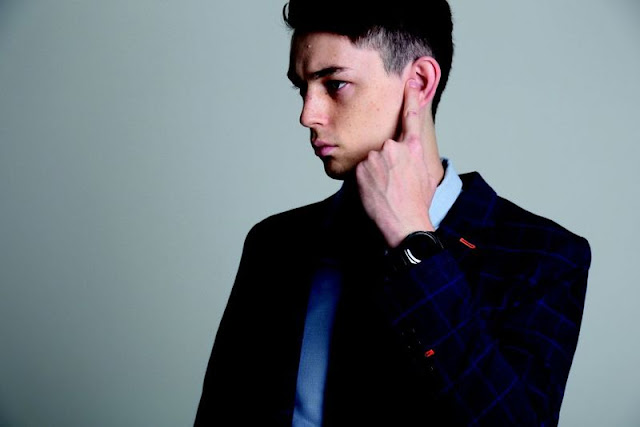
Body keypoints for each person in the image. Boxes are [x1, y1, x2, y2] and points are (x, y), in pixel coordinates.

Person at [195, 0, 591, 425]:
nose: (307, 115)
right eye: (302, 88)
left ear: (419, 82)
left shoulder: (544, 258)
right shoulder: (276, 244)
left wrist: (413, 241)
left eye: (335, 84)